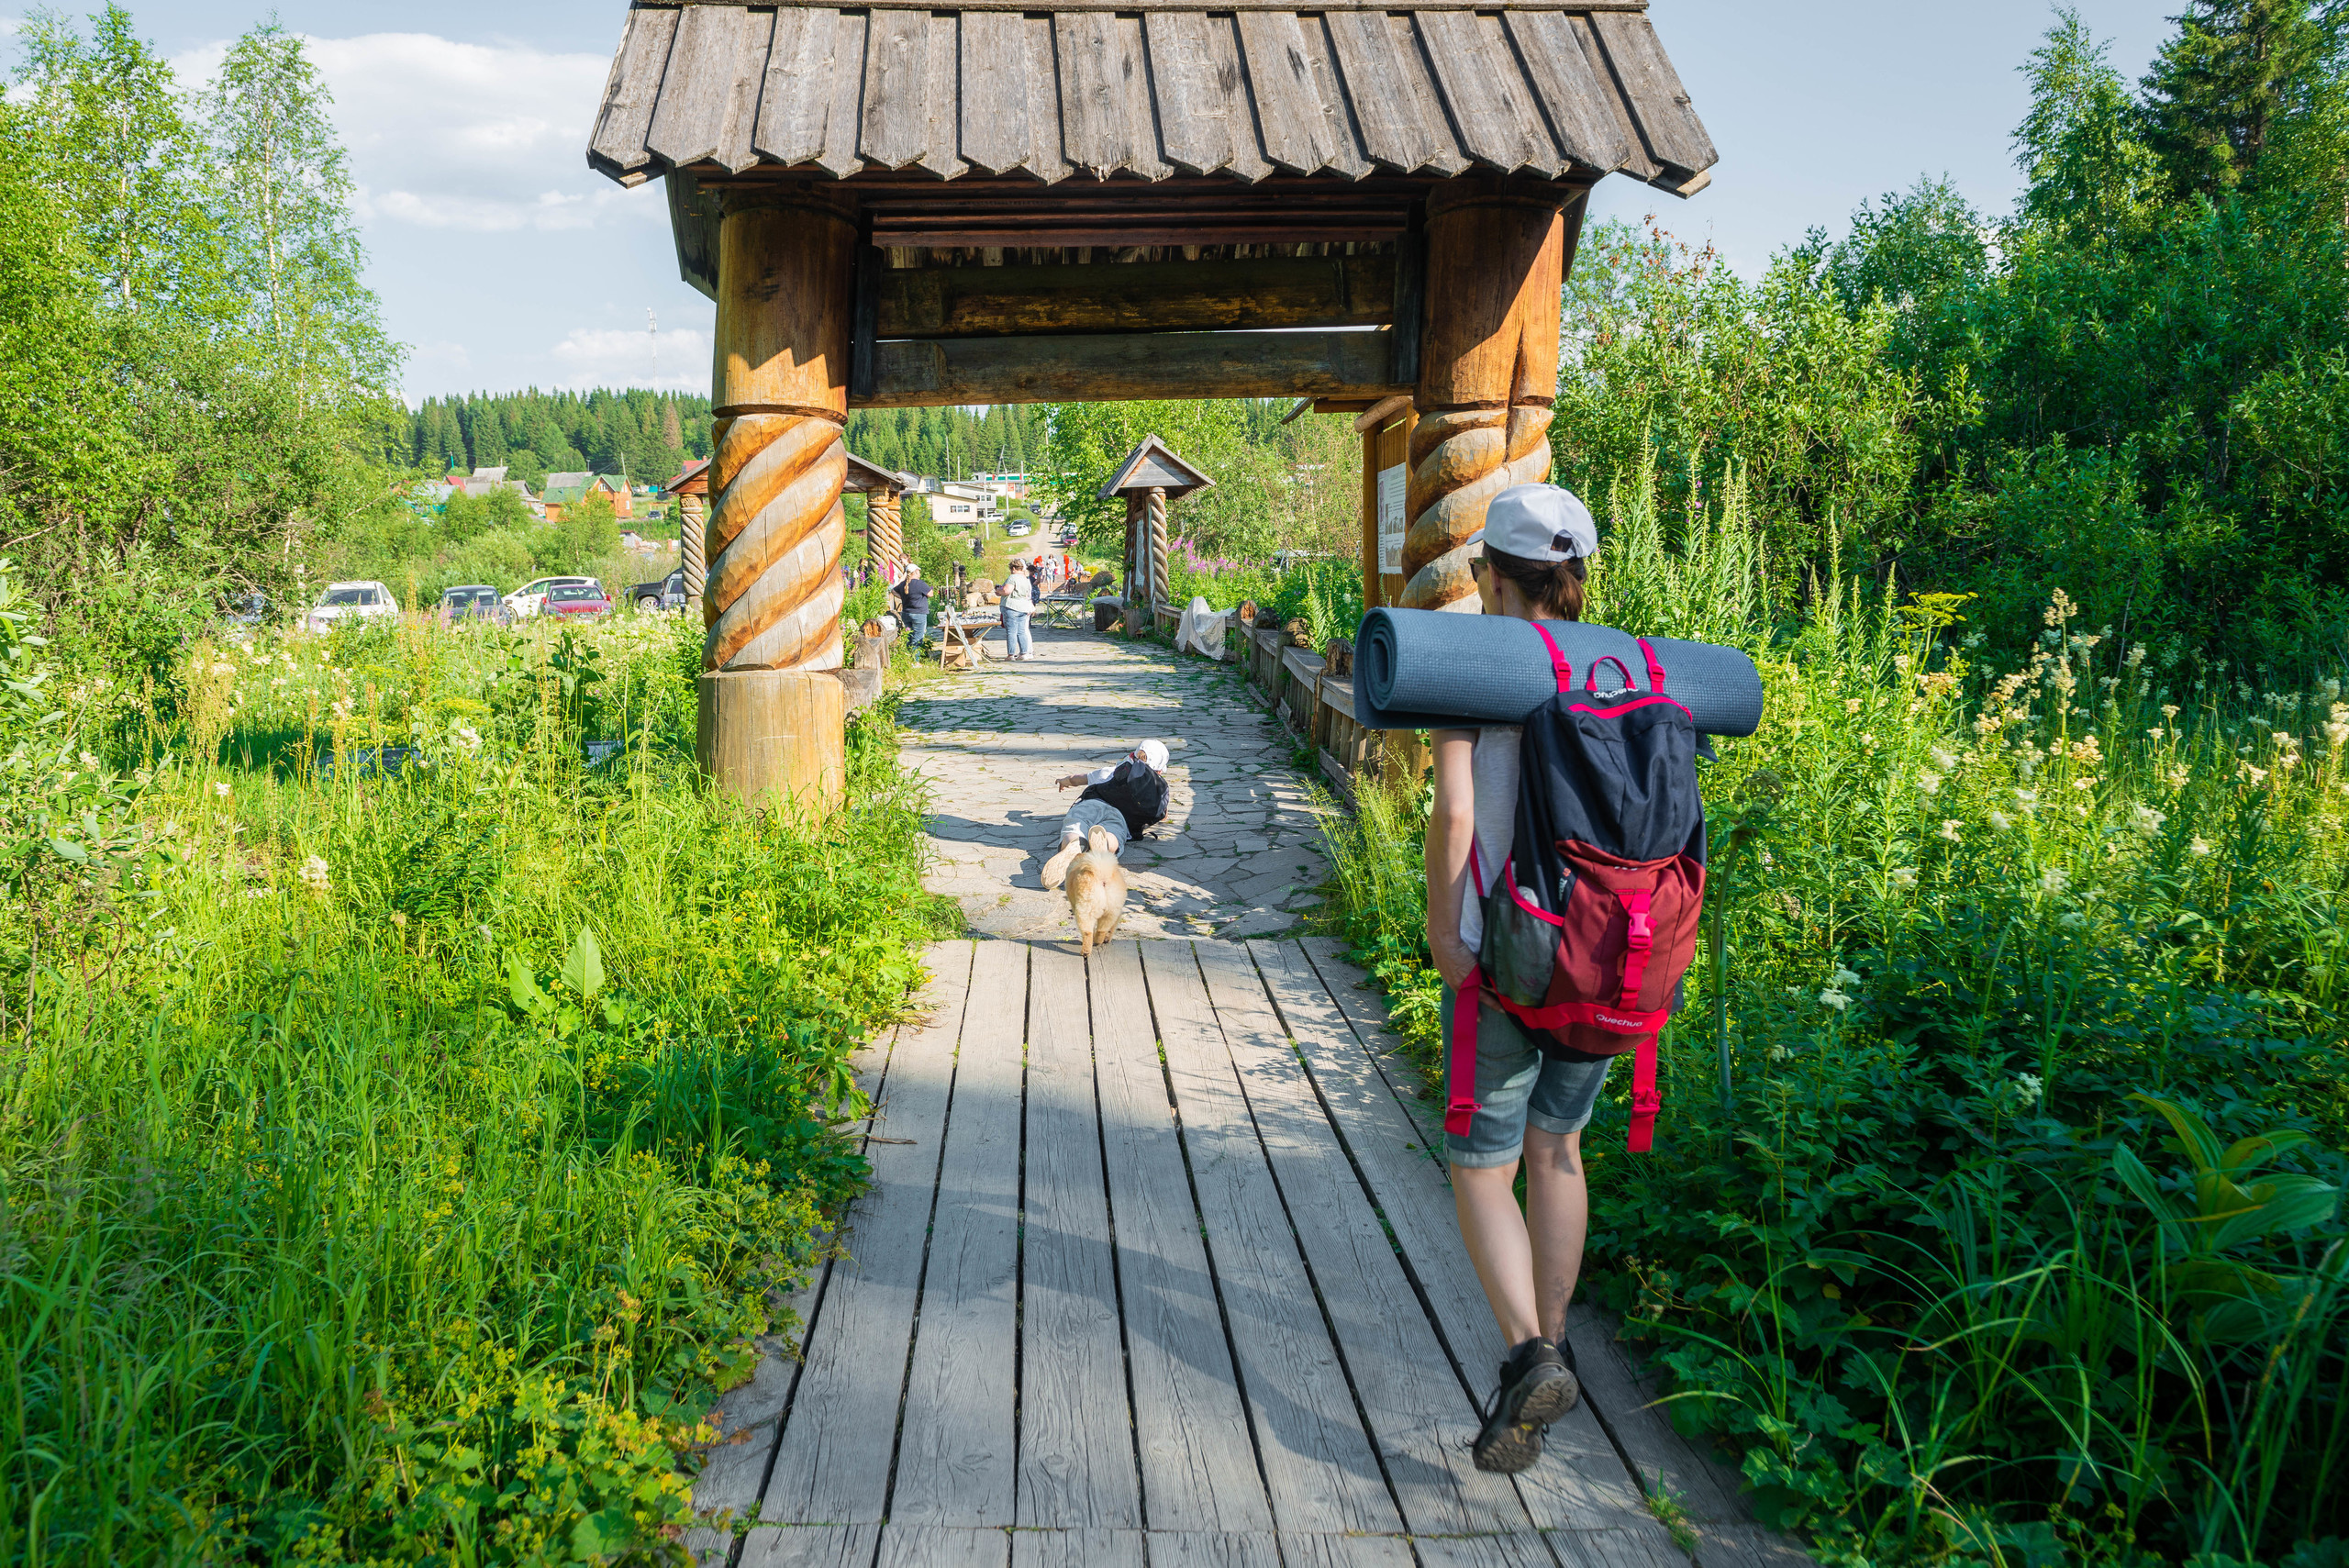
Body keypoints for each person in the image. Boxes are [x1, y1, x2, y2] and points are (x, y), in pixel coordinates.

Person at [1423, 483, 1619, 1475]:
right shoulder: (1628, 662)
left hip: (1507, 957)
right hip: (1608, 957)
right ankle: (1552, 1351)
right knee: (1559, 1151)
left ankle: (1528, 1355)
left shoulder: (1473, 664)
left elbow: (1456, 815)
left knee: (1477, 1162)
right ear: (1575, 573)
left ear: (1485, 571)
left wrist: (1439, 924)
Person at [1041, 740, 1169, 888]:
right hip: (1119, 817)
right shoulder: (1153, 792)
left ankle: (1073, 844)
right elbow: (1161, 814)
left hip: (1091, 804)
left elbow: (1076, 779)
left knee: (1076, 825)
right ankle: (1105, 844)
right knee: (1113, 832)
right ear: (1159, 771)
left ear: (1132, 755)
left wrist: (1065, 781)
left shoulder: (1114, 771)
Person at [1001, 560, 1034, 662]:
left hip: (1012, 607)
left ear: (1014, 568)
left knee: (1011, 631)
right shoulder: (1025, 578)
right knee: (1021, 631)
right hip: (1023, 607)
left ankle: (1011, 655)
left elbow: (1007, 590)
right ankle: (1023, 653)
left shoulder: (1013, 577)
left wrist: (999, 591)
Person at [897, 570, 933, 651]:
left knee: (909, 636)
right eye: (919, 572)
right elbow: (930, 594)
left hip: (906, 613)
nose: (920, 573)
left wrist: (902, 597)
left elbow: (893, 591)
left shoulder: (903, 584)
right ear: (916, 572)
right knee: (917, 638)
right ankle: (915, 660)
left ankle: (908, 657)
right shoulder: (920, 584)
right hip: (919, 614)